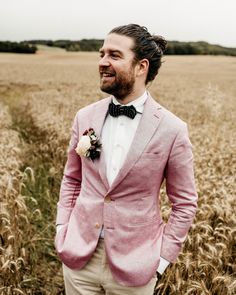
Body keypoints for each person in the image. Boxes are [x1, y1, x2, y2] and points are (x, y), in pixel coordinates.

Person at [55, 24, 198, 295]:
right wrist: (62, 228)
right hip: (79, 258)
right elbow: (73, 178)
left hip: (137, 266)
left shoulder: (172, 129)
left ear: (141, 66)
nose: (102, 62)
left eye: (114, 55)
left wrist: (162, 260)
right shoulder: (84, 117)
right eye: (101, 54)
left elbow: (184, 203)